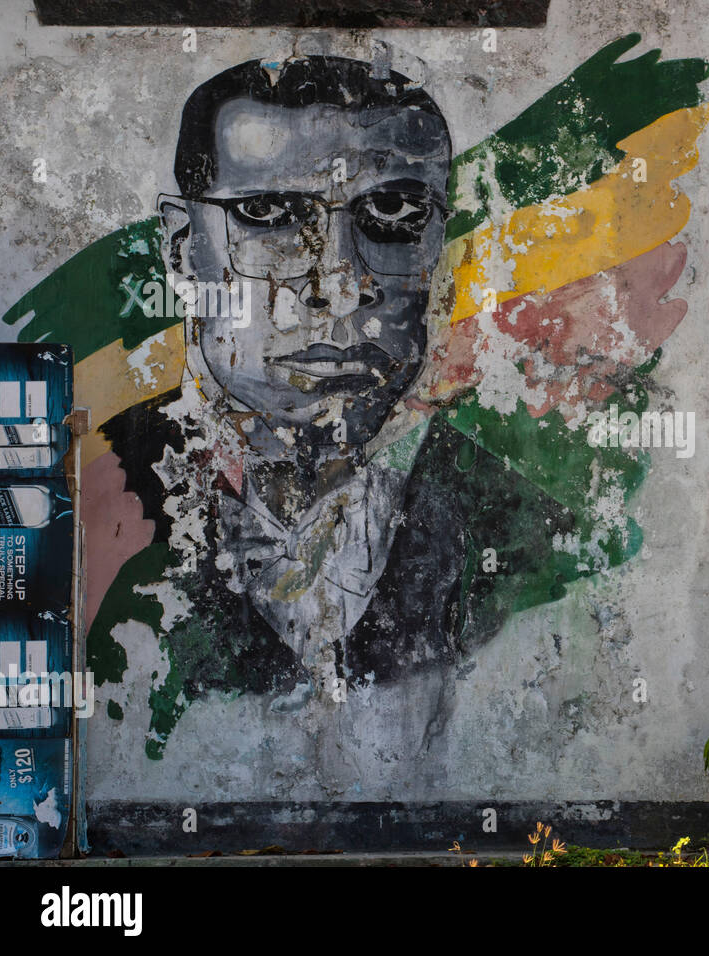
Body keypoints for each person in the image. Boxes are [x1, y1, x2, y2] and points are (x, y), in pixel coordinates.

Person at [101, 55, 487, 714]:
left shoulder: (520, 530)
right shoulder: (95, 487)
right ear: (181, 248)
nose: (338, 286)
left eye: (393, 210)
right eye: (270, 212)